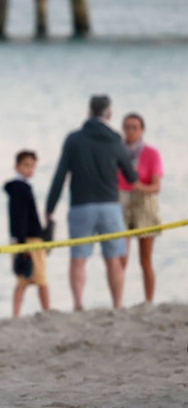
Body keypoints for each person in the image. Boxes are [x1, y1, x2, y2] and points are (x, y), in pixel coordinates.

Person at [44, 95, 138, 311]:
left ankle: (78, 304)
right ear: (109, 114)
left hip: (81, 206)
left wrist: (49, 208)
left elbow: (60, 175)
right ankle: (117, 304)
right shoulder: (115, 139)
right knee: (114, 259)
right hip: (110, 206)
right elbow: (131, 177)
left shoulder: (74, 139)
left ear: (89, 112)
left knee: (79, 258)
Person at [117, 113, 162, 304]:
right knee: (121, 258)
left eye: (135, 127)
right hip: (122, 201)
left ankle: (149, 300)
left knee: (145, 259)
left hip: (144, 202)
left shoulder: (151, 153)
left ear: (142, 130)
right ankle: (118, 300)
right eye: (127, 127)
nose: (131, 131)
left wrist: (139, 187)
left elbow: (156, 186)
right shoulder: (116, 151)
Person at [4, 150, 52, 317]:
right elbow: (21, 218)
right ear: (17, 166)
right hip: (29, 240)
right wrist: (24, 243)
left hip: (21, 239)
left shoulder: (19, 188)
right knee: (41, 280)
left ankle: (15, 314)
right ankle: (47, 311)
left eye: (32, 166)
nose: (30, 169)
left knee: (23, 281)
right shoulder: (21, 188)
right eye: (26, 165)